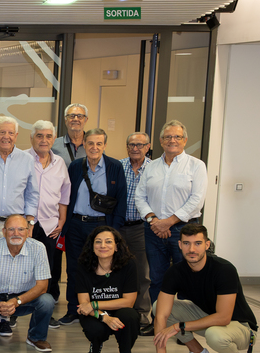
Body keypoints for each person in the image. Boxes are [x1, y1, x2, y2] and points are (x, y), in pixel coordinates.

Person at [150, 224, 258, 353]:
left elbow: (224, 317)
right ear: (180, 245)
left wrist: (180, 326)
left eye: (198, 243)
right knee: (159, 307)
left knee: (215, 335)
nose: (192, 249)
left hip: (241, 327)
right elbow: (161, 316)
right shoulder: (176, 272)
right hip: (207, 317)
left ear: (207, 245)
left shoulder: (224, 269)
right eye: (186, 243)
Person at [136, 120, 207, 313]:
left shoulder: (196, 166)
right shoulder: (151, 167)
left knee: (187, 277)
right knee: (157, 279)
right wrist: (153, 220)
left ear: (185, 140)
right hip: (153, 231)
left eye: (177, 137)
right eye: (168, 137)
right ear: (161, 140)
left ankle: (185, 326)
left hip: (185, 231)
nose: (172, 140)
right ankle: (159, 322)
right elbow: (140, 196)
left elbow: (197, 200)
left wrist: (168, 222)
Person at [60, 128, 127, 325]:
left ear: (104, 145)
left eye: (99, 143)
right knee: (73, 268)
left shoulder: (115, 167)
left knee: (99, 268)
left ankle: (98, 309)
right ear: (84, 145)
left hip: (101, 227)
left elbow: (121, 199)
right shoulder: (75, 166)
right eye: (90, 143)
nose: (94, 147)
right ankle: (74, 309)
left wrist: (114, 231)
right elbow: (66, 196)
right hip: (76, 226)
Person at [0, 214, 55, 352]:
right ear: (4, 232)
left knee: (47, 301)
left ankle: (36, 337)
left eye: (21, 229)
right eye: (11, 229)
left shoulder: (38, 248)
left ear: (28, 231)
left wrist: (16, 301)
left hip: (23, 299)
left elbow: (42, 287)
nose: (16, 233)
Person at [73, 226, 141, 353]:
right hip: (94, 314)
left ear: (117, 246)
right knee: (96, 329)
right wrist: (105, 317)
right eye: (98, 242)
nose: (103, 246)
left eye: (108, 242)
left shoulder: (129, 264)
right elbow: (83, 305)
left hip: (120, 310)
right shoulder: (84, 265)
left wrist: (95, 303)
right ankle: (95, 348)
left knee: (130, 316)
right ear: (92, 246)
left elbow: (129, 302)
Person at [0, 116, 39, 260]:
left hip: (16, 225)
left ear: (16, 136)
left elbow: (32, 193)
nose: (6, 137)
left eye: (10, 133)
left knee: (13, 263)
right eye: (2, 132)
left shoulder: (27, 159)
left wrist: (30, 222)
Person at [25, 121, 69, 306]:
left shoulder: (59, 162)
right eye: (39, 135)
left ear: (53, 139)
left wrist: (62, 218)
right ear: (32, 138)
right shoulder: (22, 158)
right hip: (25, 224)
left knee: (49, 267)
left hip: (50, 225)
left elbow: (65, 192)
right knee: (21, 266)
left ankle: (46, 307)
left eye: (48, 136)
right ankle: (15, 310)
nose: (44, 140)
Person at [119, 132, 154, 329]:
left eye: (140, 145)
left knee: (142, 273)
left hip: (142, 228)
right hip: (119, 227)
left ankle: (141, 314)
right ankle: (119, 311)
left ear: (148, 147)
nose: (135, 148)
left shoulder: (155, 168)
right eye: (131, 144)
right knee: (117, 270)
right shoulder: (117, 166)